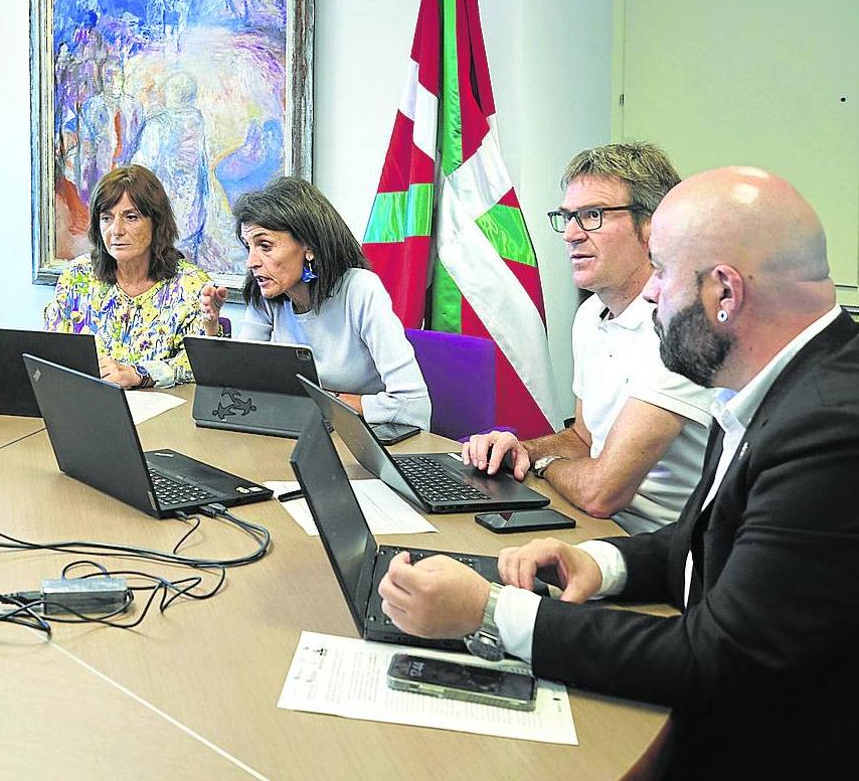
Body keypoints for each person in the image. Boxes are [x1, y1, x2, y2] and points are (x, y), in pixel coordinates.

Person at [378, 166, 859, 778]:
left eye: (662, 272)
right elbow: (702, 541)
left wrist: (491, 613)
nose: (652, 294)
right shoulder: (778, 379)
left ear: (726, 294)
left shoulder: (831, 430)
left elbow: (716, 662)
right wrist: (602, 563)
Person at [462, 142, 716, 533]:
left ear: (652, 225)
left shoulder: (679, 325)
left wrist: (544, 465)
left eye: (592, 215)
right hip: (592, 522)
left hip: (661, 548)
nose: (571, 235)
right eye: (567, 218)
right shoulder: (589, 315)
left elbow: (602, 492)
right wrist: (523, 450)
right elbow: (584, 438)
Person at [200, 177, 430, 431]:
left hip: (362, 439)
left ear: (308, 246)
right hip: (301, 432)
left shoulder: (360, 290)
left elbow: (413, 404)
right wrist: (212, 327)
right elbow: (239, 384)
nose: (251, 262)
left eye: (265, 246)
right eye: (249, 247)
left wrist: (328, 403)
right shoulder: (266, 294)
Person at [43, 164, 211, 388]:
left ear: (157, 223)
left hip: (160, 416)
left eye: (131, 217)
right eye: (106, 218)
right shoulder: (76, 277)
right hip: (84, 405)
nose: (116, 230)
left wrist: (140, 375)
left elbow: (199, 365)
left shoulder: (191, 286)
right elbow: (51, 353)